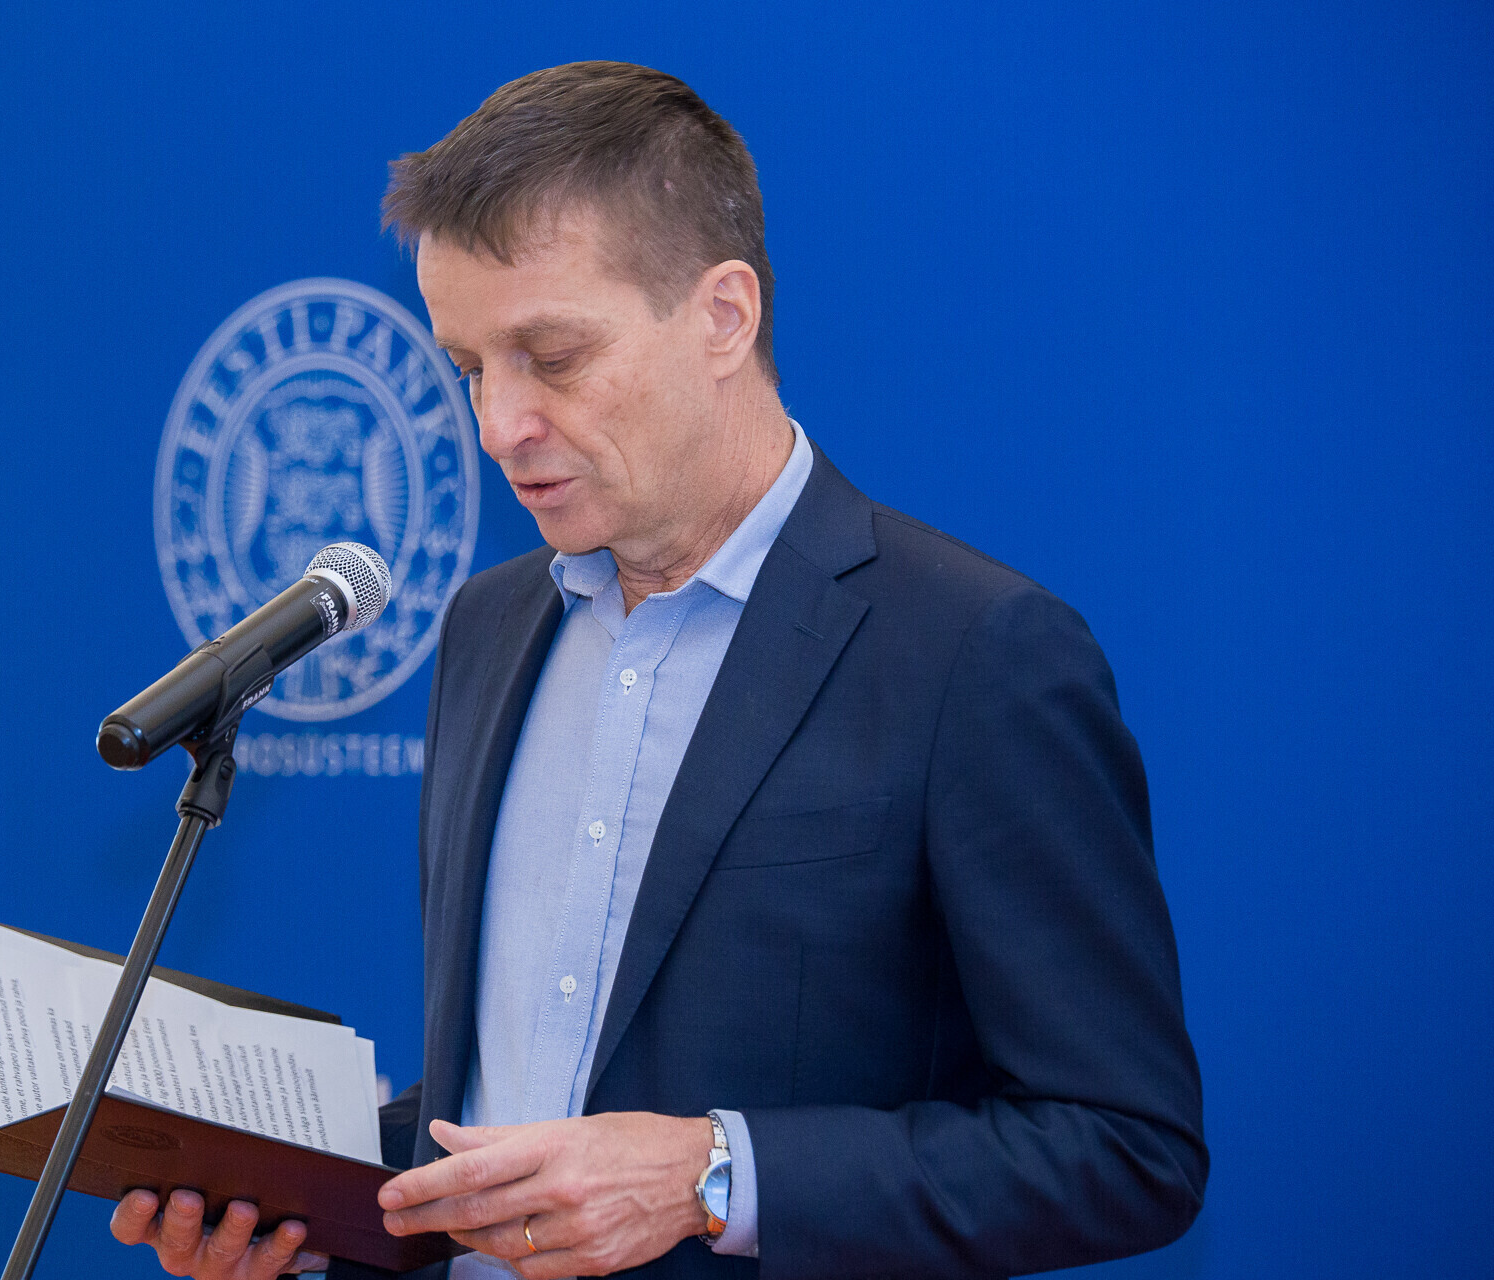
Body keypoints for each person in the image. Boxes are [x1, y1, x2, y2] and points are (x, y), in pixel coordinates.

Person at [112, 61, 1206, 1280]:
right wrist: (293, 1212)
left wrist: (710, 1174)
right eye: (469, 366)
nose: (498, 426)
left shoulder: (972, 651)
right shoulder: (486, 627)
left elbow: (1123, 1146)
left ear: (722, 316)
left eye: (552, 355)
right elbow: (511, 1101)